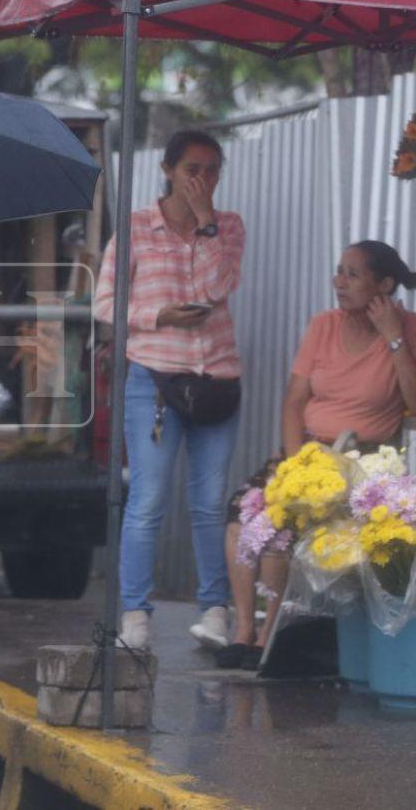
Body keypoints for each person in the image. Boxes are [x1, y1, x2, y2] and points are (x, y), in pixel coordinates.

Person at [216, 240, 416, 670]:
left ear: (384, 284)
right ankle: (243, 631)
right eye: (339, 271)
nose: (339, 282)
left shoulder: (412, 329)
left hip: (362, 460)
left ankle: (268, 639)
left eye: (352, 274)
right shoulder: (323, 325)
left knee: (283, 534)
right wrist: (296, 464)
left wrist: (394, 339)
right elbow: (294, 400)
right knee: (244, 514)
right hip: (307, 452)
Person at [95, 130, 246, 652]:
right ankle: (135, 615)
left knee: (209, 504)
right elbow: (104, 305)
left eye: (211, 170)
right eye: (192, 170)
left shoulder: (227, 227)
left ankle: (215, 610)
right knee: (150, 499)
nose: (202, 180)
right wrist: (159, 315)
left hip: (217, 379)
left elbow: (215, 289)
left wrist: (206, 224)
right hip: (155, 380)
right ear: (167, 169)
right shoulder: (136, 229)